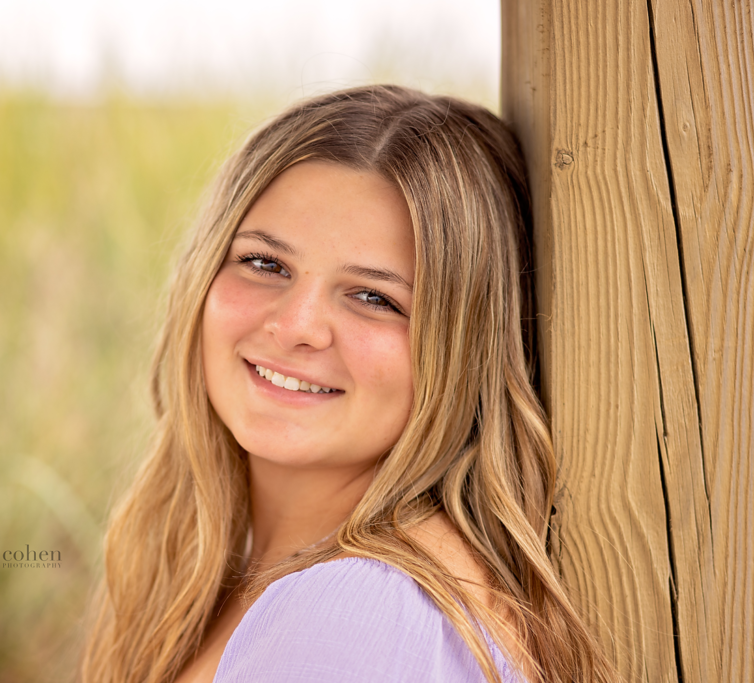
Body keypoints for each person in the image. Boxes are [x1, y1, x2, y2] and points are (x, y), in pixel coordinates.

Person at [80, 84, 617, 683]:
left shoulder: (357, 617)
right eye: (264, 263)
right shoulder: (234, 582)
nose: (294, 326)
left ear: (464, 348)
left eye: (374, 298)